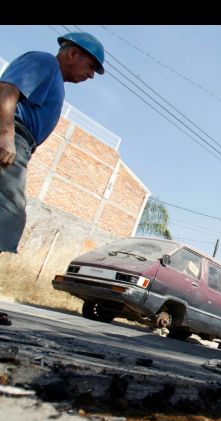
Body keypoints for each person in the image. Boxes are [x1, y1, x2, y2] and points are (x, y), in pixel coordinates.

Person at [0, 32, 105, 327]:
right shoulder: (44, 62)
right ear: (72, 54)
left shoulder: (54, 78)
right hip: (12, 139)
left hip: (21, 143)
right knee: (6, 213)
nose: (91, 76)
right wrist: (6, 136)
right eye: (90, 66)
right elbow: (6, 90)